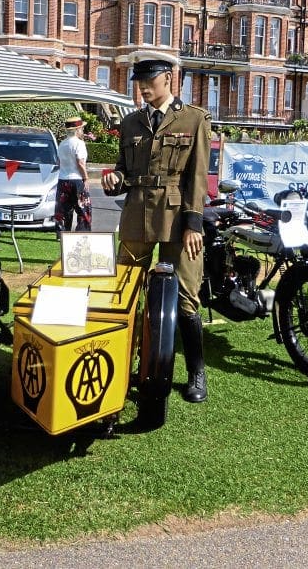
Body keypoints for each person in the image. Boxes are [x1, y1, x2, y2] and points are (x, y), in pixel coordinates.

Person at [101, 52, 212, 403]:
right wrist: (115, 180)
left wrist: (194, 223)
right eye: (140, 82)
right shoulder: (132, 123)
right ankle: (122, 363)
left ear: (169, 78)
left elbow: (197, 176)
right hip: (136, 214)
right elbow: (125, 171)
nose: (143, 88)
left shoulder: (193, 120)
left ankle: (196, 372)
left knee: (186, 298)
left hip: (178, 218)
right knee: (125, 291)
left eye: (150, 81)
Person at [55, 116, 91, 233]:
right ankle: (82, 232)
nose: (82, 131)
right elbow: (80, 163)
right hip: (76, 179)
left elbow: (59, 163)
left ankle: (63, 232)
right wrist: (86, 178)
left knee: (63, 210)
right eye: (81, 129)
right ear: (77, 130)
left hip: (63, 179)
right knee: (83, 208)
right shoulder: (79, 144)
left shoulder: (62, 144)